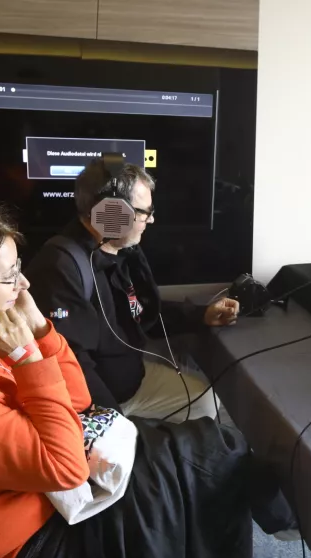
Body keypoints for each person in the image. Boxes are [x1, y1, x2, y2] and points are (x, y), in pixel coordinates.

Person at [0, 207, 264, 558]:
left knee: (205, 447)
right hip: (27, 544)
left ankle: (278, 504)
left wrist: (40, 333)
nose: (24, 286)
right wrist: (27, 359)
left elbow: (78, 401)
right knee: (205, 465)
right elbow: (66, 468)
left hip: (41, 499)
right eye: (10, 276)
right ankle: (281, 505)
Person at [26, 159, 239, 420]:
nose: (151, 219)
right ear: (113, 212)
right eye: (145, 212)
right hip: (99, 404)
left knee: (206, 404)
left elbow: (141, 310)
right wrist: (113, 425)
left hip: (133, 381)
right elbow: (72, 365)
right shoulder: (61, 267)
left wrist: (201, 315)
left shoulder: (120, 250)